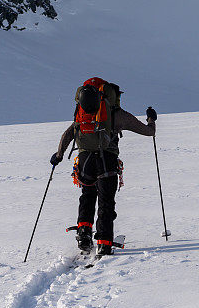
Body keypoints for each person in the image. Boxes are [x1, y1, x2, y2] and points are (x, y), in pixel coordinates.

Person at [50, 78, 157, 256]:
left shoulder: (82, 113)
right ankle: (104, 243)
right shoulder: (117, 114)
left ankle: (84, 235)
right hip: (106, 161)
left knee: (87, 195)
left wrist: (59, 155)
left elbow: (68, 134)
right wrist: (151, 119)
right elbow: (149, 132)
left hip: (84, 162)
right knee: (106, 202)